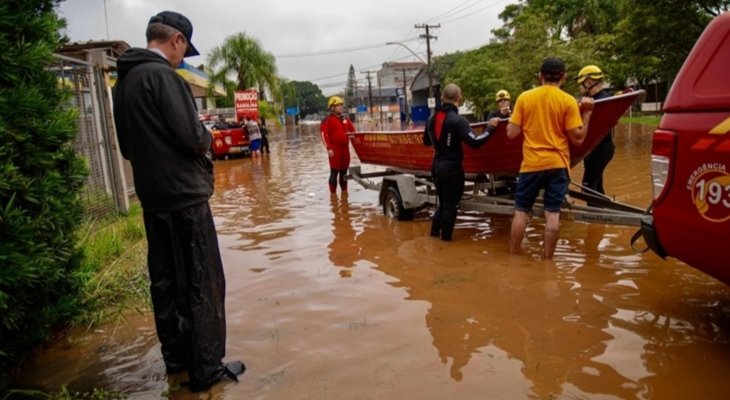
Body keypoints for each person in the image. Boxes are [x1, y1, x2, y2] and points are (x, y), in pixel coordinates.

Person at [112, 10, 244, 392]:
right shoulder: (165, 77)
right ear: (177, 41)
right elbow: (193, 137)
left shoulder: (123, 84)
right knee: (201, 279)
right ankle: (205, 368)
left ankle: (176, 360)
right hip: (185, 200)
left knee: (167, 282)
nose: (182, 59)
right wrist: (204, 138)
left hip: (153, 200)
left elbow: (125, 146)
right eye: (184, 51)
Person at [506, 57, 594, 259]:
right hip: (557, 164)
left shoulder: (524, 98)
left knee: (521, 211)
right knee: (552, 215)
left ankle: (513, 256)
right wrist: (587, 113)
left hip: (531, 165)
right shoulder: (568, 101)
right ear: (563, 77)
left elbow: (511, 133)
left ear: (540, 76)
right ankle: (548, 263)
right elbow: (578, 138)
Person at [423, 83, 498, 241]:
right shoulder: (458, 121)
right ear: (460, 99)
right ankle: (446, 244)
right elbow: (476, 142)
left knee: (442, 204)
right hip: (452, 169)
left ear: (442, 98)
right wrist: (490, 128)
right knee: (450, 207)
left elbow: (426, 142)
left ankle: (434, 238)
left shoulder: (431, 119)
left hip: (436, 166)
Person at [576, 65, 615, 205]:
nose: (579, 88)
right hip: (593, 150)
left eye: (581, 84)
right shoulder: (592, 99)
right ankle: (600, 220)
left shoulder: (604, 100)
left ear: (589, 82)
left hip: (601, 149)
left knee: (587, 188)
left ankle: (594, 219)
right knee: (596, 186)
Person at [320, 96, 356, 194]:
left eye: (341, 105)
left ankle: (344, 194)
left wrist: (355, 139)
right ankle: (333, 197)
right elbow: (323, 135)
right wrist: (328, 148)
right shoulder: (327, 120)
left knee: (344, 173)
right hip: (334, 151)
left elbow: (353, 131)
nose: (340, 107)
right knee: (334, 173)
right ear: (332, 108)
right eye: (338, 105)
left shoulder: (345, 119)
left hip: (345, 151)